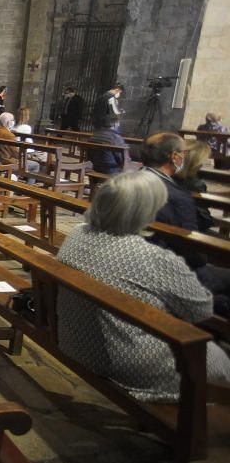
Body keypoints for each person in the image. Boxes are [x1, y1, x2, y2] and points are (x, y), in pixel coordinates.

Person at [55, 170, 230, 401]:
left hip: (77, 343)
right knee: (221, 361)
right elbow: (201, 311)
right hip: (133, 364)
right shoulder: (153, 257)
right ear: (147, 211)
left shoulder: (77, 233)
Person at [141, 132, 229, 313]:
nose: (185, 157)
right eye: (184, 153)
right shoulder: (178, 198)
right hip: (168, 270)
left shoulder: (131, 179)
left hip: (144, 259)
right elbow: (194, 256)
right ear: (174, 156)